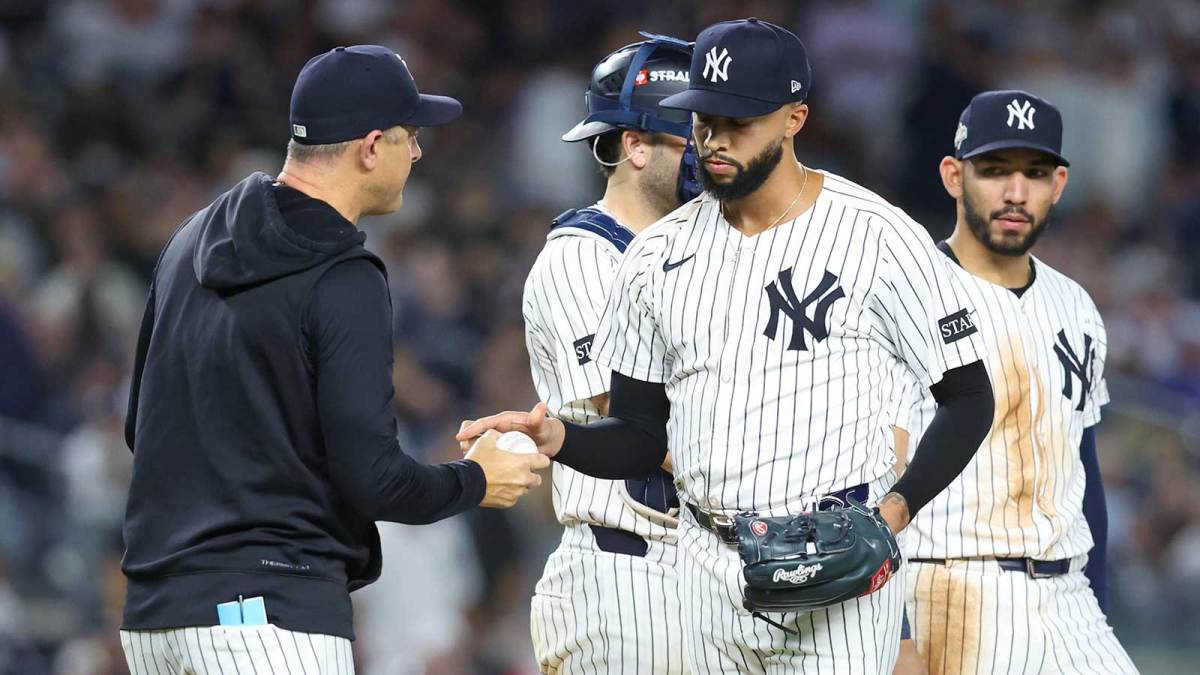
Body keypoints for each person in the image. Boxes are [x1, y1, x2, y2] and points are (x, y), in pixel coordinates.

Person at [459, 18, 994, 673]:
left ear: (795, 118)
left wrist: (887, 509)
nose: (710, 142)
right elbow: (635, 431)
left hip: (820, 563)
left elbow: (966, 396)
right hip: (680, 567)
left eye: (734, 122)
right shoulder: (644, 256)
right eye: (701, 121)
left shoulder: (875, 234)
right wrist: (561, 439)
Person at [118, 45, 547, 674]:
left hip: (156, 617)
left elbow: (140, 428)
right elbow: (372, 478)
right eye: (409, 136)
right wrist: (476, 480)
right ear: (370, 146)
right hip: (268, 616)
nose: (418, 154)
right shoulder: (342, 274)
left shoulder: (188, 242)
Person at [895, 90, 1139, 674]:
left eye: (1033, 173)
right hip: (952, 594)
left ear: (1058, 184)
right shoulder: (904, 295)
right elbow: (864, 472)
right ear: (954, 176)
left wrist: (1097, 607)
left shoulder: (1075, 304)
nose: (1015, 192)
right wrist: (896, 632)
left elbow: (1085, 472)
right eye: (994, 170)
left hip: (1070, 601)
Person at [522, 33, 698, 673]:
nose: (711, 152)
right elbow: (632, 421)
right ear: (634, 145)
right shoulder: (582, 259)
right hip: (624, 578)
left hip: (701, 575)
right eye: (693, 135)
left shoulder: (701, 258)